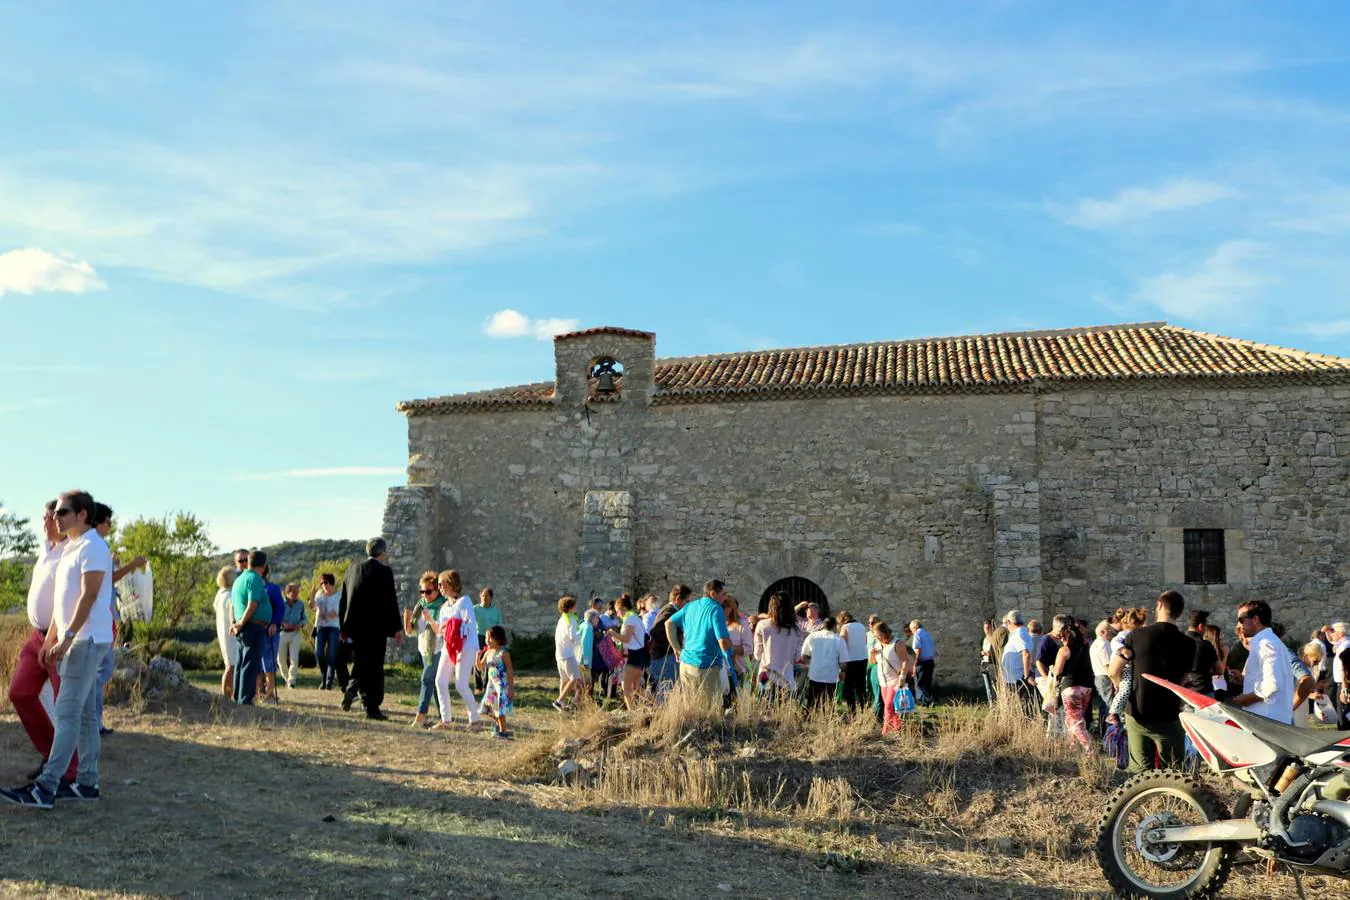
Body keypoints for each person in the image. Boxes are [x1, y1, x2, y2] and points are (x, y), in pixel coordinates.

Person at [3, 490, 112, 807]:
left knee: (66, 715)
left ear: (82, 515)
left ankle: (46, 788)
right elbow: (62, 601)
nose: (56, 517)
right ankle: (88, 783)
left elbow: (88, 596)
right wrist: (51, 635)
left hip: (85, 641)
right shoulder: (73, 547)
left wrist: (66, 638)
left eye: (63, 512)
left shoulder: (93, 546)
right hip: (75, 638)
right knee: (88, 716)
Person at [7, 500, 77, 787]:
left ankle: (68, 772)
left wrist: (58, 638)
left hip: (58, 638)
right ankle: (51, 755)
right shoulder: (46, 550)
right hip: (37, 636)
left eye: (51, 515)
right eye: (46, 515)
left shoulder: (70, 553)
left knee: (65, 706)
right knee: (20, 693)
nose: (46, 520)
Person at [1108, 590, 1194, 773]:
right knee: (1172, 771)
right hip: (1169, 713)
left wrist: (1120, 686)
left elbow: (1113, 670)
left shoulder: (1136, 636)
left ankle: (1143, 800)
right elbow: (1184, 680)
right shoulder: (1188, 643)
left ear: (1161, 606)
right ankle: (1168, 801)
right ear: (1179, 612)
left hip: (1138, 711)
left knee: (1139, 771)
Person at [339, 538, 403, 720]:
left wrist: (343, 627)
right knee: (374, 667)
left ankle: (352, 689)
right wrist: (397, 627)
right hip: (376, 628)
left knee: (361, 661)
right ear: (382, 553)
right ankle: (371, 707)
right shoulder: (384, 572)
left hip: (355, 627)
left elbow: (344, 600)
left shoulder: (352, 570)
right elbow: (390, 601)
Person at [666, 580, 733, 706]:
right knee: (710, 711)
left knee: (690, 709)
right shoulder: (716, 609)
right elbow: (723, 643)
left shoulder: (690, 606)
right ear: (713, 594)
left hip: (686, 664)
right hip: (706, 667)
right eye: (724, 594)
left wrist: (677, 649)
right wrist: (732, 647)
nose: (726, 598)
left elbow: (669, 623)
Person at [1229, 600, 1295, 724]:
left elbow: (1273, 685)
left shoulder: (1266, 644)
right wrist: (1245, 679)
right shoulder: (1269, 642)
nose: (1239, 625)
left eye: (1241, 619)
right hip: (1270, 717)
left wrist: (1247, 699)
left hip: (1265, 718)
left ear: (1255, 619)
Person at [432, 570, 480, 731]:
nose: (439, 587)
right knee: (440, 681)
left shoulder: (464, 601)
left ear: (451, 583)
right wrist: (431, 621)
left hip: (465, 645)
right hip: (449, 646)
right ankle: (446, 720)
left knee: (460, 684)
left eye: (441, 583)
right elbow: (440, 631)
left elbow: (469, 624)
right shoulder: (444, 607)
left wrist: (453, 626)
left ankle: (475, 721)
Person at [230, 550, 272, 705]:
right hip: (252, 626)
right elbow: (252, 604)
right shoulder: (254, 579)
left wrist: (234, 623)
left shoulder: (239, 580)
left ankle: (237, 698)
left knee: (241, 664)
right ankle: (245, 701)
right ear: (264, 565)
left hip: (243, 627)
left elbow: (233, 606)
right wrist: (241, 623)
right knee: (250, 665)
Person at [405, 571, 445, 728]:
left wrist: (430, 619)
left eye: (428, 591)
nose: (425, 595)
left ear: (436, 590)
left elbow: (441, 630)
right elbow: (410, 631)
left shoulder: (443, 606)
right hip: (424, 649)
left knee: (426, 679)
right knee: (435, 684)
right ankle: (444, 718)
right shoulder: (420, 606)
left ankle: (421, 716)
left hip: (439, 649)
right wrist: (407, 619)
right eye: (422, 591)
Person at [1050, 618, 1096, 752]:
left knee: (1075, 722)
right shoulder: (1086, 646)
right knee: (1074, 719)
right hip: (1087, 687)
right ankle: (1073, 749)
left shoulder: (1064, 650)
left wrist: (1052, 669)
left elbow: (1057, 671)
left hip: (1071, 687)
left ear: (1065, 637)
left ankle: (1091, 750)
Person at [754, 591, 803, 699]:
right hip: (787, 679)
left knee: (765, 713)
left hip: (767, 675)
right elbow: (797, 658)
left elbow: (757, 655)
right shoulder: (797, 628)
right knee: (784, 713)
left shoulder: (762, 625)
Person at [647, 584, 692, 697]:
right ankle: (663, 714)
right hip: (664, 658)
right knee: (666, 692)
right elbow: (655, 632)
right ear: (678, 599)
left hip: (664, 657)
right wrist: (673, 646)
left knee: (667, 691)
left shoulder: (670, 610)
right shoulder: (669, 611)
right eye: (687, 601)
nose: (688, 604)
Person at [873, 622, 913, 734]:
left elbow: (905, 660)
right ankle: (897, 728)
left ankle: (886, 732)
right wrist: (872, 654)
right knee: (893, 707)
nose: (877, 637)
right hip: (883, 681)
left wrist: (902, 677)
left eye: (878, 634)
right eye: (875, 635)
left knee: (888, 707)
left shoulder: (897, 643)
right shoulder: (877, 644)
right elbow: (873, 661)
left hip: (894, 680)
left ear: (885, 632)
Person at [475, 625, 514, 739]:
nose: (487, 640)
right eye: (486, 638)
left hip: (502, 685)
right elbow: (481, 667)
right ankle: (501, 726)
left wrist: (511, 688)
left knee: (500, 709)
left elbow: (510, 670)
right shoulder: (488, 652)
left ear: (498, 638)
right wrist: (477, 657)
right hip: (492, 685)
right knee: (487, 708)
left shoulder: (503, 653)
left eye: (490, 638)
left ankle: (503, 731)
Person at [801, 616, 847, 709]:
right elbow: (843, 661)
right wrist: (842, 672)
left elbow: (804, 655)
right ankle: (826, 720)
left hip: (815, 674)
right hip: (831, 676)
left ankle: (810, 719)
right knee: (828, 703)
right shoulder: (839, 640)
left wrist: (807, 666)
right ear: (834, 626)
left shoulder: (812, 636)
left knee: (812, 702)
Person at [616, 594, 648, 709]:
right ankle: (659, 705)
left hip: (634, 654)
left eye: (618, 611)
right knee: (636, 687)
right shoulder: (635, 617)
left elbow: (626, 638)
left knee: (626, 685)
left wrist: (613, 634)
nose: (617, 614)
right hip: (640, 653)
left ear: (623, 608)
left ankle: (631, 712)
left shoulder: (629, 619)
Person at [259, 566, 285, 704]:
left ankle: (269, 694)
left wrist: (275, 623)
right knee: (257, 664)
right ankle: (258, 693)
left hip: (270, 631)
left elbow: (281, 607)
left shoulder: (272, 589)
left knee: (269, 664)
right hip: (255, 631)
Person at [311, 573, 341, 690]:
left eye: (326, 582)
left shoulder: (338, 596)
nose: (324, 585)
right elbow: (312, 606)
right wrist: (313, 595)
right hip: (320, 627)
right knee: (318, 653)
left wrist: (324, 614)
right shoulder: (319, 595)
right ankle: (324, 677)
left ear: (332, 583)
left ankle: (329, 682)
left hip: (334, 627)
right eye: (322, 583)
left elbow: (335, 614)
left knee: (332, 655)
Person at [212, 567, 239, 697]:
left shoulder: (220, 593)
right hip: (230, 634)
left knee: (229, 665)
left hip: (223, 633)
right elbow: (233, 614)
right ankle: (227, 695)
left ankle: (228, 694)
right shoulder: (229, 595)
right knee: (231, 666)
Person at [553, 596, 583, 710]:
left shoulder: (562, 619)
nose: (576, 608)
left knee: (564, 680)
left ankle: (563, 705)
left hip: (559, 654)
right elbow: (573, 637)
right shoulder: (572, 619)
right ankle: (559, 701)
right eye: (574, 606)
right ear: (570, 608)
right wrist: (581, 634)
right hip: (568, 654)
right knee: (574, 678)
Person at [1000, 609, 1034, 710]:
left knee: (1020, 708)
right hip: (1013, 679)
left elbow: (1026, 654)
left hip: (1017, 679)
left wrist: (1026, 675)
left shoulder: (1019, 634)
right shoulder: (1018, 633)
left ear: (1009, 622)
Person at [1182, 609, 1220, 698]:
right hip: (1204, 692)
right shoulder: (1206, 645)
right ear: (1200, 626)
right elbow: (1219, 670)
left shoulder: (1179, 642)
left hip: (1185, 693)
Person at [473, 588, 504, 693]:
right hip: (479, 637)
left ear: (491, 598)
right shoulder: (475, 609)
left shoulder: (496, 610)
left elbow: (499, 624)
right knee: (478, 660)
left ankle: (486, 685)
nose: (484, 598)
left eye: (487, 596)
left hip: (492, 639)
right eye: (483, 596)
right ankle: (478, 686)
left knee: (489, 661)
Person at [836, 612, 869, 712]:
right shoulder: (862, 626)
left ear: (842, 619)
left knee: (848, 687)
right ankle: (864, 708)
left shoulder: (845, 627)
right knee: (861, 685)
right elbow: (865, 641)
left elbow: (843, 643)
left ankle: (852, 711)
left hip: (851, 660)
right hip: (863, 659)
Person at [277, 583, 307, 690]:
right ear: (287, 592)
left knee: (294, 658)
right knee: (280, 660)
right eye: (294, 592)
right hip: (282, 633)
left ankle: (291, 681)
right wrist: (282, 623)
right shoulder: (281, 603)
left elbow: (304, 618)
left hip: (295, 634)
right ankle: (287, 679)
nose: (296, 594)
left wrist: (301, 624)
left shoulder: (300, 604)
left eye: (297, 592)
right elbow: (276, 617)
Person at [1089, 619, 1116, 726]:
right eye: (1110, 631)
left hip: (1098, 677)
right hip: (1105, 677)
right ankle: (1111, 732)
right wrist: (1115, 681)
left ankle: (1103, 731)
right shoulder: (1103, 644)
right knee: (1110, 706)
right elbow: (1107, 666)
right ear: (1103, 632)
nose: (1112, 633)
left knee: (1103, 706)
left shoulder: (1095, 644)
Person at [908, 619, 936, 706]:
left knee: (921, 683)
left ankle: (931, 699)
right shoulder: (927, 634)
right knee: (927, 682)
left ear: (915, 627)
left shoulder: (917, 634)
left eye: (911, 629)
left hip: (922, 662)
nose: (911, 631)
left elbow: (918, 649)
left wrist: (915, 662)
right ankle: (925, 702)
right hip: (930, 660)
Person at [1331, 622, 1350, 730]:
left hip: (1344, 683)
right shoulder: (1342, 644)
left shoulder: (1346, 645)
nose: (1332, 634)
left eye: (1334, 632)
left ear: (1340, 633)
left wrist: (1344, 688)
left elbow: (1345, 668)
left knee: (1344, 714)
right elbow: (1332, 641)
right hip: (1341, 682)